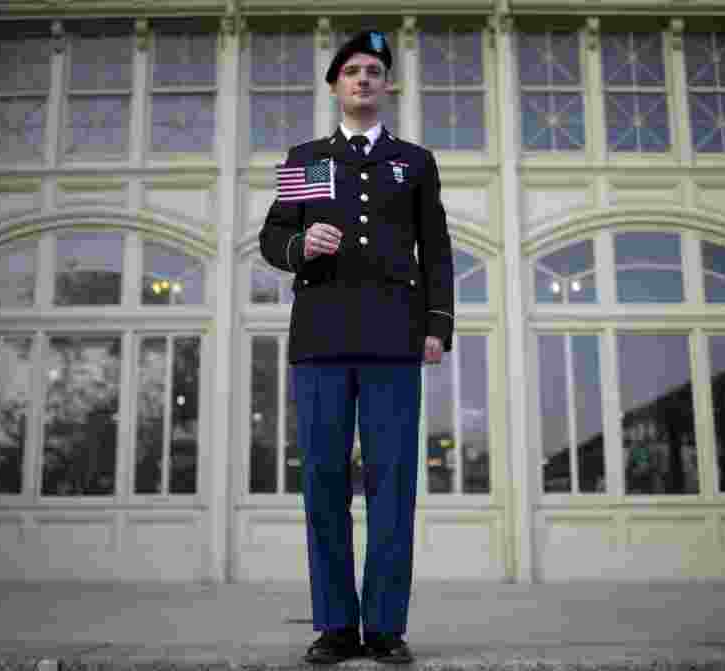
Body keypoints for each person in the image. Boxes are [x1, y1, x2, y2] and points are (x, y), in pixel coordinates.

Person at [258, 29, 454, 665]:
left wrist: (436, 325)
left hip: (395, 338)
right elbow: (272, 238)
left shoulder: (415, 162)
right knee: (322, 481)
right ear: (336, 87)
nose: (364, 79)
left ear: (388, 84)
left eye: (374, 70)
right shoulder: (310, 158)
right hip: (321, 338)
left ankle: (387, 629)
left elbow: (438, 250)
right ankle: (337, 627)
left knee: (393, 484)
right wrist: (297, 247)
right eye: (352, 72)